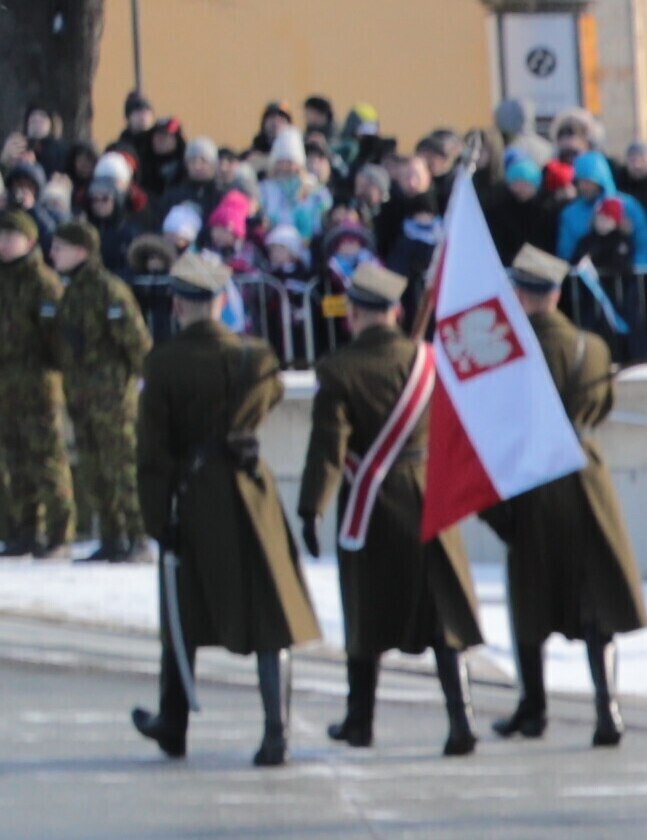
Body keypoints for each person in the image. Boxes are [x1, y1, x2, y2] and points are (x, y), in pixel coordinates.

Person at [127, 251, 319, 765]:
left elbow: (153, 453)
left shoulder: (163, 363)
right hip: (252, 491)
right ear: (220, 302)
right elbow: (271, 395)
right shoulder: (257, 356)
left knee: (182, 611)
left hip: (194, 497)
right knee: (268, 615)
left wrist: (156, 519)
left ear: (177, 305)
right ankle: (275, 731)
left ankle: (174, 724)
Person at [292, 256, 486, 758]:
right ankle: (460, 719)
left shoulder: (337, 369)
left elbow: (328, 448)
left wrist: (312, 507)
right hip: (429, 495)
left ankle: (360, 723)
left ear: (353, 314)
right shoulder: (431, 361)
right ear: (396, 312)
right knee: (442, 614)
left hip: (370, 502)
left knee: (367, 612)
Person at [479, 243, 647, 746]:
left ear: (521, 294)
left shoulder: (506, 347)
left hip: (532, 476)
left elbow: (494, 416)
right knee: (594, 597)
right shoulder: (591, 347)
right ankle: (607, 708)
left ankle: (533, 709)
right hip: (585, 475)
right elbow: (603, 407)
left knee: (531, 594)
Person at [57, 232, 149, 562]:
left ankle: (137, 537)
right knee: (94, 470)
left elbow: (136, 342)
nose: (53, 253)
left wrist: (137, 382)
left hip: (112, 397)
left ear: (81, 251)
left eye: (60, 248)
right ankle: (112, 536)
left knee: (122, 468)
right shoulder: (71, 292)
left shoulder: (108, 288)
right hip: (82, 395)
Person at [0, 212, 70, 555]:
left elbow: (58, 338)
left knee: (47, 458)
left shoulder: (43, 282)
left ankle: (59, 534)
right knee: (14, 460)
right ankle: (24, 530)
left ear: (29, 242)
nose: (3, 243)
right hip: (5, 385)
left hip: (38, 383)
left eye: (10, 237)